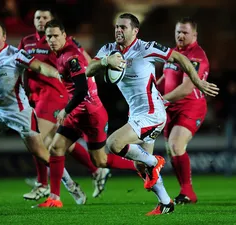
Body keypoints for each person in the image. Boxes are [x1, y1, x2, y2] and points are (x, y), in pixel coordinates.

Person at [86, 13, 219, 215]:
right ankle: (165, 202)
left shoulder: (145, 48)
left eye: (123, 27)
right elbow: (88, 70)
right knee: (140, 166)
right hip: (137, 114)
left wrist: (198, 82)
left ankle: (155, 162)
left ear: (135, 31)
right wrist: (106, 61)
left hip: (152, 113)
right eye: (117, 27)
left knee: (113, 144)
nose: (118, 30)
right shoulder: (108, 50)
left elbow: (180, 57)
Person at [37, 19, 164, 210]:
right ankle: (55, 197)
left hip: (90, 113)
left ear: (65, 35)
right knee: (56, 148)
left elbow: (81, 89)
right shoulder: (61, 54)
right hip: (78, 112)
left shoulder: (71, 56)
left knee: (101, 160)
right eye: (49, 37)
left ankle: (142, 165)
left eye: (56, 35)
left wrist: (65, 110)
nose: (52, 40)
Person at [0, 19, 83, 207]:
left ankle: (71, 185)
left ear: (4, 37)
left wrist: (58, 74)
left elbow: (39, 67)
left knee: (42, 154)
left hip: (19, 113)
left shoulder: (15, 54)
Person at [18, 8, 110, 201]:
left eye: (45, 17)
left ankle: (43, 184)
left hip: (55, 95)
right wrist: (24, 88)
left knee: (36, 139)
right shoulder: (26, 41)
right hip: (36, 96)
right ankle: (96, 171)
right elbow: (24, 66)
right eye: (37, 17)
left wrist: (90, 79)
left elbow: (84, 62)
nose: (41, 21)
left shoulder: (62, 42)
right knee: (60, 145)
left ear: (54, 23)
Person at [157, 17, 213, 204]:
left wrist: (160, 100)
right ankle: (185, 191)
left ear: (194, 34)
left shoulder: (196, 56)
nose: (180, 35)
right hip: (170, 108)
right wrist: (151, 92)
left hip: (191, 106)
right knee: (172, 150)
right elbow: (165, 78)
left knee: (175, 145)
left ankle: (188, 192)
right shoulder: (173, 52)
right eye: (178, 32)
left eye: (185, 32)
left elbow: (187, 88)